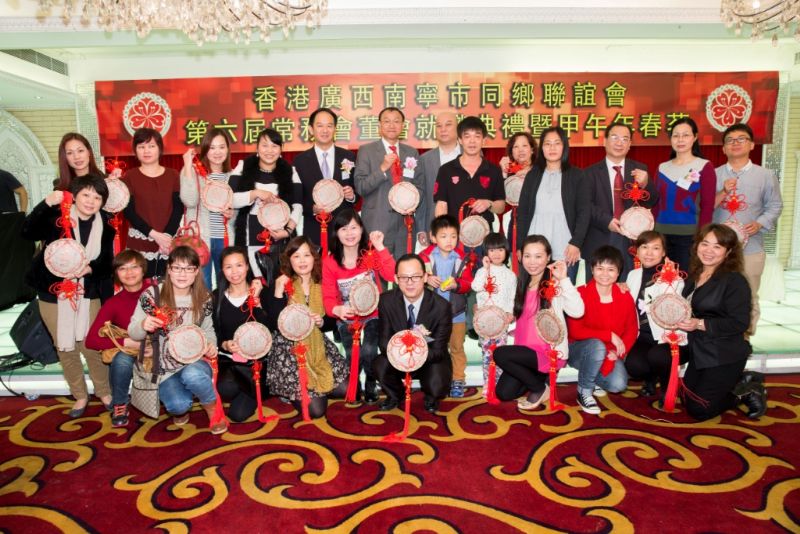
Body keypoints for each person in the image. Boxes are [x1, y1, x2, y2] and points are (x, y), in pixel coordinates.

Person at [21, 175, 115, 418]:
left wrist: (90, 269)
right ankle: (80, 395)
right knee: (65, 347)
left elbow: (107, 265)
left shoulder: (106, 227)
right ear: (75, 196)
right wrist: (45, 203)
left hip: (87, 293)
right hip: (53, 293)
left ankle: (104, 391)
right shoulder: (56, 218)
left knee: (91, 345)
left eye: (97, 197)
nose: (91, 201)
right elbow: (27, 231)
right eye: (86, 195)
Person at [671, 224, 766, 420]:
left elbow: (740, 323)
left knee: (699, 410)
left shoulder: (735, 281)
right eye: (705, 244)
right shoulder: (695, 274)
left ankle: (745, 392)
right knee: (686, 397)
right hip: (700, 349)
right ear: (697, 245)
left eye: (717, 246)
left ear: (728, 252)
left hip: (724, 352)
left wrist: (699, 324)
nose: (708, 251)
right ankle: (739, 380)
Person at [128, 246, 225, 433]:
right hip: (164, 366)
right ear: (169, 269)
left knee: (193, 376)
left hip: (195, 360)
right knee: (178, 405)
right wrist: (143, 325)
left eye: (189, 268)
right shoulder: (152, 296)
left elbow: (208, 330)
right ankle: (181, 405)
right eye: (177, 268)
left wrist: (211, 345)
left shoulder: (203, 297)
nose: (182, 274)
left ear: (196, 271)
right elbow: (133, 333)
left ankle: (212, 409)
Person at [493, 235, 583, 410]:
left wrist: (564, 279)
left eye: (538, 256)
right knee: (504, 393)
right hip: (525, 352)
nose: (532, 262)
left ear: (548, 257)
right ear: (521, 257)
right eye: (527, 256)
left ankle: (539, 388)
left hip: (547, 352)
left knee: (500, 354)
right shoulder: (522, 282)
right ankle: (540, 379)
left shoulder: (554, 283)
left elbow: (578, 311)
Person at [713, 123, 783, 336]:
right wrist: (722, 192)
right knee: (716, 295)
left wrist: (760, 223)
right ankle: (719, 339)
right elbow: (703, 207)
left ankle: (744, 340)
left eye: (741, 139)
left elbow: (775, 205)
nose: (735, 143)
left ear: (752, 145)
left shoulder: (765, 175)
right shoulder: (713, 174)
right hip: (716, 251)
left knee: (748, 295)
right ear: (723, 148)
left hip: (751, 248)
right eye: (730, 140)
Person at [268, 237, 349, 419]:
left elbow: (331, 320)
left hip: (317, 344)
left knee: (347, 389)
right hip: (290, 349)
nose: (302, 261)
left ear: (314, 258)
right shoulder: (282, 283)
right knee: (316, 411)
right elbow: (273, 324)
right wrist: (278, 292)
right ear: (289, 260)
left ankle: (313, 389)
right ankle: (293, 390)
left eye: (307, 255)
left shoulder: (322, 283)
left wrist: (321, 322)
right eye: (296, 256)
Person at [322, 208, 396, 404]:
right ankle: (354, 385)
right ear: (336, 233)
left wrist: (380, 247)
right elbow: (328, 297)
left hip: (373, 312)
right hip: (347, 314)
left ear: (362, 229)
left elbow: (391, 275)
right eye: (344, 229)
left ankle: (371, 384)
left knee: (369, 350)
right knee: (351, 352)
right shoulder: (330, 262)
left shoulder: (370, 253)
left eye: (354, 227)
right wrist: (336, 309)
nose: (349, 233)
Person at [374, 253, 453, 413]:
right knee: (379, 365)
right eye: (404, 277)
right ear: (396, 279)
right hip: (398, 356)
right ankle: (396, 395)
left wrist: (415, 356)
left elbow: (438, 350)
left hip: (429, 358)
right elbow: (383, 342)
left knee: (438, 383)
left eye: (416, 277)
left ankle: (431, 397)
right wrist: (402, 356)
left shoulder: (441, 306)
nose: (409, 282)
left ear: (425, 277)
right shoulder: (385, 301)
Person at [566, 246, 638, 414]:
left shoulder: (624, 296)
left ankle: (592, 375)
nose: (605, 274)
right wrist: (609, 335)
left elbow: (632, 329)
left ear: (618, 273)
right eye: (600, 268)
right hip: (581, 351)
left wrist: (618, 352)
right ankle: (584, 391)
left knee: (618, 384)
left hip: (610, 352)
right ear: (592, 269)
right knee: (597, 345)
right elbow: (575, 331)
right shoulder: (580, 293)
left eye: (611, 269)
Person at [582, 122, 658, 278]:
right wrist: (607, 221)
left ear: (630, 145)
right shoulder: (589, 173)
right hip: (600, 236)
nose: (619, 143)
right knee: (597, 287)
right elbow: (585, 205)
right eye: (615, 137)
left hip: (630, 241)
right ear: (604, 141)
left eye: (625, 139)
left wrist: (646, 184)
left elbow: (652, 201)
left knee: (628, 285)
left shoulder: (639, 169)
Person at [85, 250, 151, 427]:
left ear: (143, 270)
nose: (129, 273)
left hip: (158, 346)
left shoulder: (158, 292)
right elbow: (91, 340)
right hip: (130, 348)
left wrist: (157, 346)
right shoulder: (113, 303)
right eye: (122, 268)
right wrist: (126, 342)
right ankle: (119, 404)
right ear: (116, 274)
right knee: (121, 359)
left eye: (134, 267)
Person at [516, 126, 589, 283]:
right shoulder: (532, 175)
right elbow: (522, 214)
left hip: (566, 249)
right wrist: (521, 246)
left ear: (564, 146)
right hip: (534, 251)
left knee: (563, 293)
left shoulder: (577, 175)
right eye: (547, 144)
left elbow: (584, 212)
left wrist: (576, 243)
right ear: (541, 148)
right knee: (534, 294)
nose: (552, 148)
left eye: (557, 143)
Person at [230, 128, 302, 284]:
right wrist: (255, 193)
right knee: (253, 281)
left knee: (280, 282)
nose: (269, 150)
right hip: (249, 233)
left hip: (280, 236)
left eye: (274, 146)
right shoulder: (243, 166)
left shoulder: (290, 171)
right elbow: (230, 199)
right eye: (264, 145)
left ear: (281, 149)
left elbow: (298, 206)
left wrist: (287, 231)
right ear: (257, 147)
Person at [212, 246, 271, 423]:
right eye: (228, 267)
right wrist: (224, 344)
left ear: (247, 266)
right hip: (231, 362)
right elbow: (215, 333)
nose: (234, 272)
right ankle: (248, 389)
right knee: (225, 389)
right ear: (222, 270)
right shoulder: (216, 297)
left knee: (237, 415)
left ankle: (258, 389)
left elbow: (271, 329)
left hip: (258, 363)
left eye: (239, 265)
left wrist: (257, 302)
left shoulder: (261, 292)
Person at [623, 230, 685, 398]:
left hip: (665, 336)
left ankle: (666, 386)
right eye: (644, 247)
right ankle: (650, 377)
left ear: (664, 252)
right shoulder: (633, 275)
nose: (649, 253)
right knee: (634, 366)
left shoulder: (675, 277)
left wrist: (667, 278)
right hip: (642, 335)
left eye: (656, 248)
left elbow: (670, 309)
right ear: (637, 250)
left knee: (657, 356)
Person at [419, 215, 475, 398]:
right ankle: (434, 378)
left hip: (456, 313)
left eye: (453, 236)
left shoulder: (462, 258)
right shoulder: (424, 257)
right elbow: (415, 276)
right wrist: (427, 279)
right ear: (433, 237)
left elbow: (469, 283)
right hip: (432, 314)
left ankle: (458, 379)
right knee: (434, 347)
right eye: (443, 236)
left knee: (457, 347)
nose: (449, 240)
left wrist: (457, 285)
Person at [354, 106, 421, 258]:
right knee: (377, 268)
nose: (392, 125)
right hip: (377, 223)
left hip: (405, 224)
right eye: (387, 121)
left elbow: (419, 186)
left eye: (396, 121)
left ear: (403, 126)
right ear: (379, 125)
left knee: (405, 266)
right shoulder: (366, 151)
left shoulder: (411, 152)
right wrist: (382, 168)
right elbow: (361, 187)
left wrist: (412, 204)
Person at [653, 117, 715, 272]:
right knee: (659, 279)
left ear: (695, 137)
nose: (680, 139)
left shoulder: (704, 166)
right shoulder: (662, 168)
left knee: (685, 279)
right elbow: (656, 203)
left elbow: (707, 206)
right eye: (676, 135)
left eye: (685, 135)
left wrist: (702, 237)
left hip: (689, 237)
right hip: (660, 236)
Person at [180, 128, 238, 289]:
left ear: (228, 149)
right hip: (200, 240)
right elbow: (189, 201)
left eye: (221, 147)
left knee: (226, 285)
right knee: (202, 286)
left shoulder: (233, 176)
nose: (217, 152)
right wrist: (187, 166)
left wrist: (232, 213)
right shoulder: (193, 172)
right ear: (205, 149)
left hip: (225, 239)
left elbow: (238, 212)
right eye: (212, 147)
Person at [293, 108, 359, 249]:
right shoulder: (300, 161)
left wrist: (352, 196)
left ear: (335, 129)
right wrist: (312, 208)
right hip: (314, 228)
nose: (325, 130)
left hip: (344, 228)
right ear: (311, 129)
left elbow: (359, 189)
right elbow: (296, 197)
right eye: (320, 126)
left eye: (329, 126)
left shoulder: (349, 157)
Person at [122, 128, 183, 278]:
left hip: (169, 243)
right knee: (140, 287)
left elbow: (178, 208)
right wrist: (154, 235)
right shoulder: (129, 176)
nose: (146, 151)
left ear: (160, 148)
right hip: (141, 242)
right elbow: (129, 212)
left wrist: (166, 237)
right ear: (135, 151)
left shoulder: (173, 175)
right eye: (141, 147)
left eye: (151, 146)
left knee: (171, 286)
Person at [433, 115, 505, 230]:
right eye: (467, 136)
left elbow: (501, 206)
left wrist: (489, 204)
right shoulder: (446, 170)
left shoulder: (494, 170)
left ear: (484, 140)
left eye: (477, 136)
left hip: (484, 234)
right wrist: (442, 232)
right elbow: (441, 205)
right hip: (455, 234)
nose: (472, 141)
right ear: (460, 140)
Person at [471, 232, 517, 396]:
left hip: (502, 322)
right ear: (486, 252)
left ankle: (498, 383)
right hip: (484, 322)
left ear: (506, 251)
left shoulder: (510, 275)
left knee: (500, 354)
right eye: (492, 250)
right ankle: (487, 384)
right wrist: (485, 269)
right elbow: (475, 287)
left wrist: (510, 313)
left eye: (500, 250)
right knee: (486, 354)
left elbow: (512, 297)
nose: (496, 254)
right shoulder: (482, 271)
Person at [413, 111, 460, 247]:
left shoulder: (470, 155)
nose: (443, 129)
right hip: (435, 228)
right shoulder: (424, 159)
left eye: (448, 125)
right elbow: (422, 197)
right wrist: (421, 229)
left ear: (458, 128)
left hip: (465, 225)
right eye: (439, 126)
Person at [499, 132, 536, 250]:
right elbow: (501, 203)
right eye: (516, 146)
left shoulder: (542, 169)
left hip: (539, 222)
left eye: (524, 145)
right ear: (511, 152)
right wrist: (503, 173)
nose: (520, 150)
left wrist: (531, 174)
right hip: (517, 224)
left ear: (532, 149)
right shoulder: (510, 172)